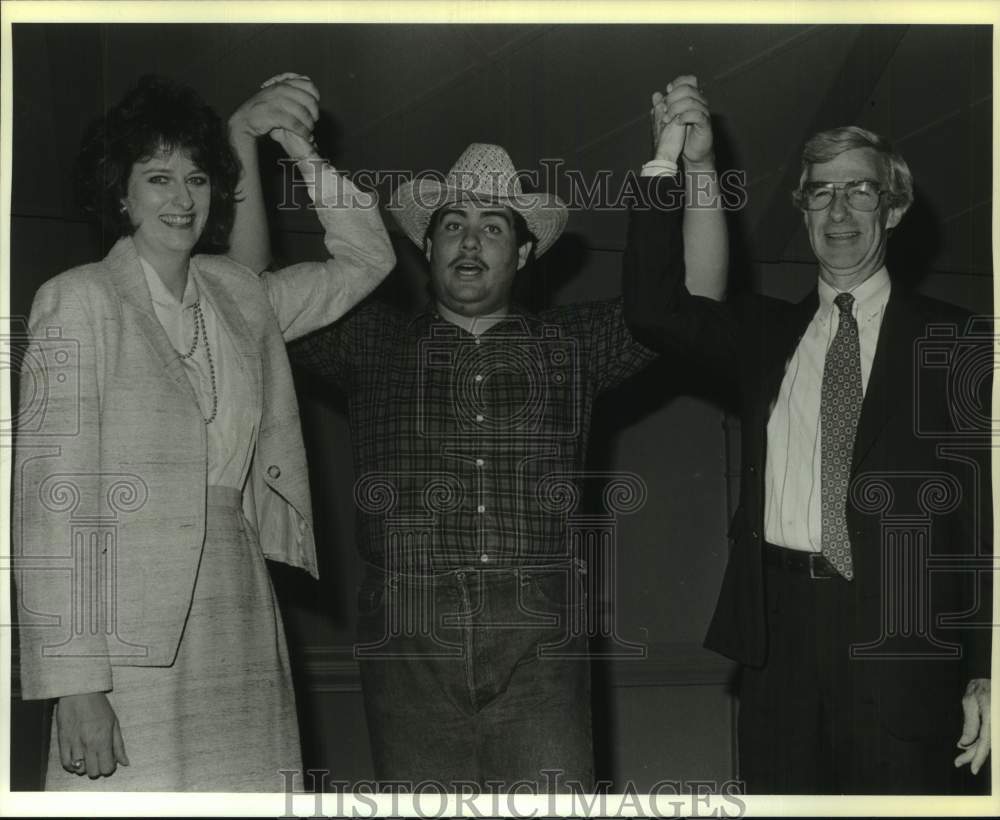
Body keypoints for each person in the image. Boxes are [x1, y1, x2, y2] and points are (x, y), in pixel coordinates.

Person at [229, 75, 725, 789]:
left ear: (523, 254)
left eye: (493, 227)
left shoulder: (574, 342)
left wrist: (699, 167)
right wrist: (244, 142)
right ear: (425, 245)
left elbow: (695, 304)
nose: (470, 242)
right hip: (406, 633)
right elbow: (248, 297)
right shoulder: (366, 341)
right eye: (453, 224)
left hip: (542, 631)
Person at [12, 73, 395, 791]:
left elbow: (368, 260)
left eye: (197, 177)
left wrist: (295, 149)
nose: (182, 199)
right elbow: (48, 509)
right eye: (157, 178)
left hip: (237, 606)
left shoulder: (241, 298)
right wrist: (76, 685)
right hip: (124, 632)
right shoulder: (78, 300)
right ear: (119, 194)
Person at [624, 123, 992, 793]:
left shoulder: (962, 341)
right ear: (802, 207)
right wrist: (678, 161)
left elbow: (989, 520)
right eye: (821, 193)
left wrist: (989, 667)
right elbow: (655, 311)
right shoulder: (764, 334)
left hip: (904, 647)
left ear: (895, 206)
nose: (839, 211)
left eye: (859, 190)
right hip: (780, 645)